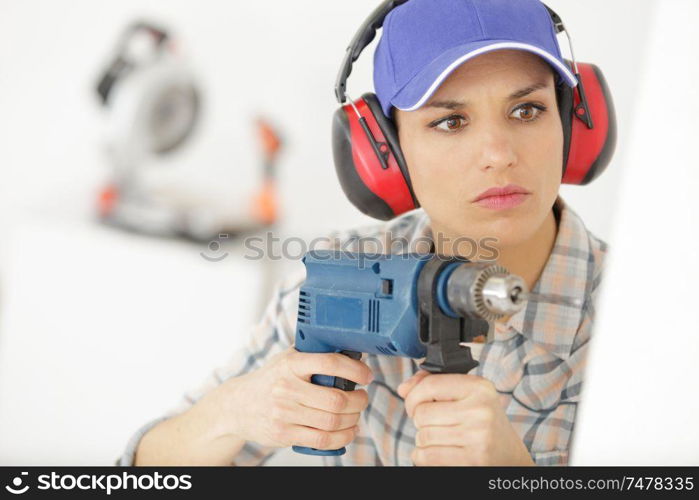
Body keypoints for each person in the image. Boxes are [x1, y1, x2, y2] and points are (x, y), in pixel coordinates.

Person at [119, 0, 609, 466]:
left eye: (527, 111)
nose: (498, 154)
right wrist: (232, 413)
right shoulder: (341, 273)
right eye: (451, 121)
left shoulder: (647, 322)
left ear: (574, 122)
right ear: (384, 155)